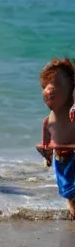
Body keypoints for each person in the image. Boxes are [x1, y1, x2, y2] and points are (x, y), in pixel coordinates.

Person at [36, 58, 75, 218]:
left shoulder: (72, 109)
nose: (49, 90)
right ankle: (72, 210)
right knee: (67, 190)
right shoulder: (49, 119)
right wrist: (46, 152)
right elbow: (46, 137)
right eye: (46, 86)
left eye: (57, 84)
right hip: (60, 159)